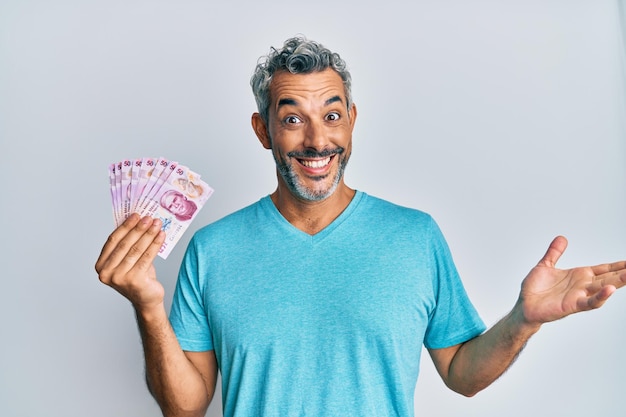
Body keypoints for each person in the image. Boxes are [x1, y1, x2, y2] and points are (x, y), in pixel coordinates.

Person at [95, 36, 626, 417]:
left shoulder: (415, 237)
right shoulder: (212, 249)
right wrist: (147, 306)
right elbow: (185, 409)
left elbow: (462, 375)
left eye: (330, 115)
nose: (316, 141)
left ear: (352, 119)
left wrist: (524, 319)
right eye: (292, 118)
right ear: (263, 131)